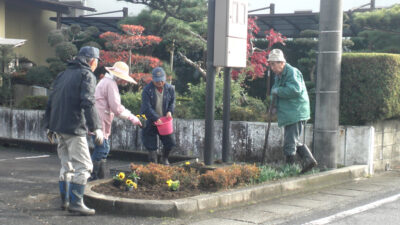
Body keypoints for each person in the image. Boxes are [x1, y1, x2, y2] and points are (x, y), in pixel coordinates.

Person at [43, 46, 104, 216]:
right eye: (96, 61)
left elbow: (51, 100)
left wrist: (49, 125)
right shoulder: (87, 75)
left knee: (66, 165)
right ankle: (76, 203)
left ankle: (65, 201)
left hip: (58, 127)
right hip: (74, 128)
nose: (96, 65)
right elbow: (88, 102)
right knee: (84, 166)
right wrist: (96, 127)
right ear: (92, 60)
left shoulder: (62, 75)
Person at [89, 61, 142, 180]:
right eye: (123, 78)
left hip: (96, 120)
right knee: (103, 149)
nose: (124, 81)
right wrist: (131, 117)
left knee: (101, 148)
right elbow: (116, 108)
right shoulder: (110, 84)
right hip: (100, 122)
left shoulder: (104, 82)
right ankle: (93, 177)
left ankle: (96, 176)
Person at [268, 49, 317, 173]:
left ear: (282, 63)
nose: (272, 67)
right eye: (270, 64)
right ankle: (308, 161)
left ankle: (290, 169)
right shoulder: (279, 75)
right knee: (293, 140)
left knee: (290, 143)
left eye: (273, 64)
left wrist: (278, 92)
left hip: (296, 111)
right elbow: (274, 89)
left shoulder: (292, 72)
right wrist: (273, 105)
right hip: (290, 112)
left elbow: (295, 90)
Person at [141, 67, 176, 165]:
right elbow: (146, 107)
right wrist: (156, 118)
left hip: (164, 122)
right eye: (157, 81)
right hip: (150, 120)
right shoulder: (147, 90)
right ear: (153, 80)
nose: (160, 83)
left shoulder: (170, 89)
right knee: (151, 146)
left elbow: (172, 102)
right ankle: (154, 164)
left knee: (170, 142)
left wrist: (170, 111)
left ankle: (164, 158)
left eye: (162, 80)